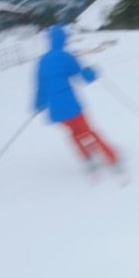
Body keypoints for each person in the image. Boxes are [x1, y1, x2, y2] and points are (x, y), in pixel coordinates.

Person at [34, 24, 118, 173]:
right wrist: (93, 72)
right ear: (64, 39)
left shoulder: (43, 61)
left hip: (55, 111)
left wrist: (39, 105)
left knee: (74, 132)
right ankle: (111, 157)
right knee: (88, 131)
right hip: (71, 106)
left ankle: (86, 157)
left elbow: (40, 87)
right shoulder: (67, 57)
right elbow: (84, 77)